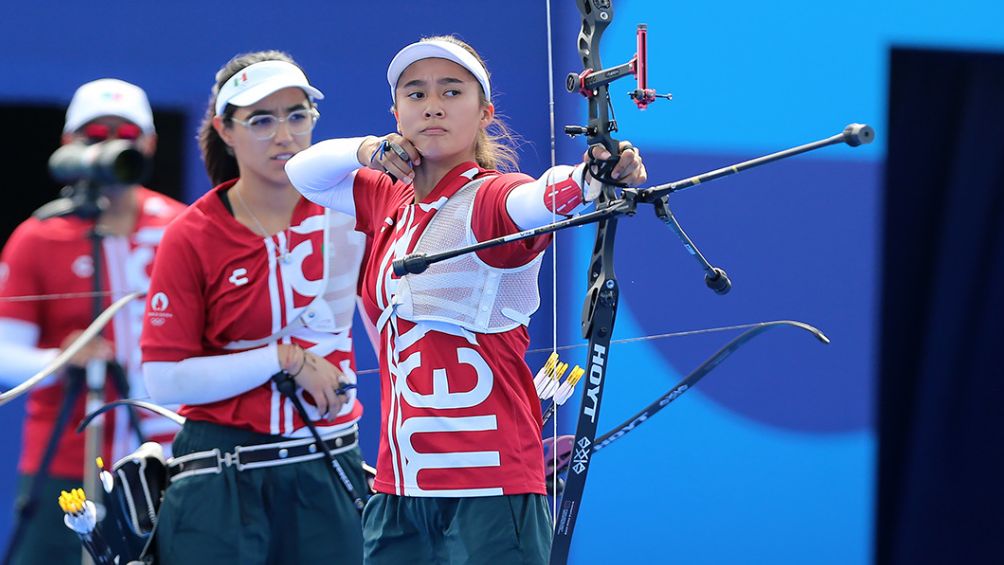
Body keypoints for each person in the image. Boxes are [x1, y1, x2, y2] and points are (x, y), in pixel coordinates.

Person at [285, 35, 647, 564]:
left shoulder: (493, 197)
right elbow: (304, 171)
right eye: (415, 93)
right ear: (396, 112)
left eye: (452, 92)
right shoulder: (387, 193)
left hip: (489, 491)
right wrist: (369, 149)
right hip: (399, 490)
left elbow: (540, 198)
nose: (432, 104)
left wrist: (591, 178)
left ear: (484, 113)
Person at [140, 50, 369, 565]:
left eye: (296, 115)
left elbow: (391, 331)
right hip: (221, 477)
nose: (284, 136)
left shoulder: (355, 208)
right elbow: (163, 379)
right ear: (225, 129)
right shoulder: (190, 235)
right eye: (261, 120)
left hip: (330, 464)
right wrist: (283, 358)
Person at [0, 78, 186, 565]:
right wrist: (63, 358)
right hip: (65, 459)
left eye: (123, 133)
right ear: (68, 145)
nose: (109, 146)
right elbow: (5, 357)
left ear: (148, 143)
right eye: (95, 134)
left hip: (167, 453)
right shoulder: (39, 236)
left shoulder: (183, 228)